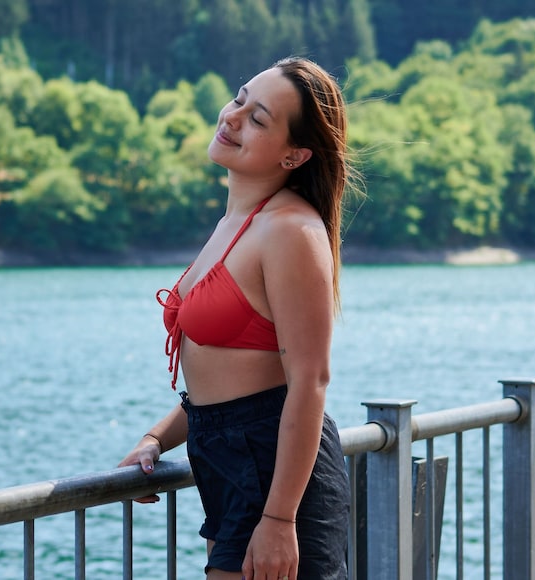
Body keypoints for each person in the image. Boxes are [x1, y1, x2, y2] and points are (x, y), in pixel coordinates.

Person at [118, 56, 357, 580]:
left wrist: (279, 517)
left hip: (276, 480)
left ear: (294, 154)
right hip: (230, 468)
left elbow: (308, 382)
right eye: (240, 98)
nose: (233, 116)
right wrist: (158, 439)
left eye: (258, 119)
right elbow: (227, 384)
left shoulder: (290, 231)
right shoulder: (237, 222)